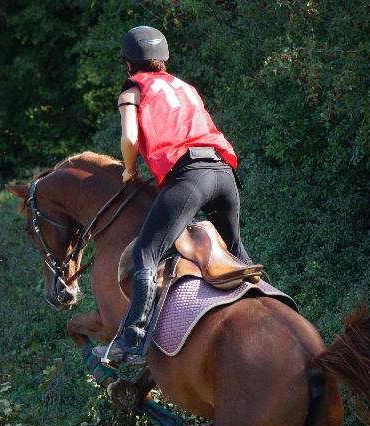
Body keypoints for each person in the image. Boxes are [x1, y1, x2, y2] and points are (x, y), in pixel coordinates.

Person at [95, 25, 253, 365]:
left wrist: (128, 168)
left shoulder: (133, 88)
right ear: (163, 58)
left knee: (147, 255)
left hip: (188, 177)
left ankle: (131, 343)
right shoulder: (186, 86)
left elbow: (131, 138)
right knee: (237, 251)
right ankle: (268, 299)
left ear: (128, 63)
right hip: (223, 173)